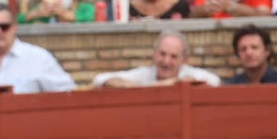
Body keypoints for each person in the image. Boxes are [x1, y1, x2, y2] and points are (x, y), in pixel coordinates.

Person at [92, 30, 220, 88]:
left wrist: (170, 83)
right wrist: (130, 85)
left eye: (173, 56)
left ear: (184, 60)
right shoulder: (145, 73)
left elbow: (214, 82)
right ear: (154, 54)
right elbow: (99, 79)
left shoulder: (190, 73)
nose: (166, 61)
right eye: (162, 54)